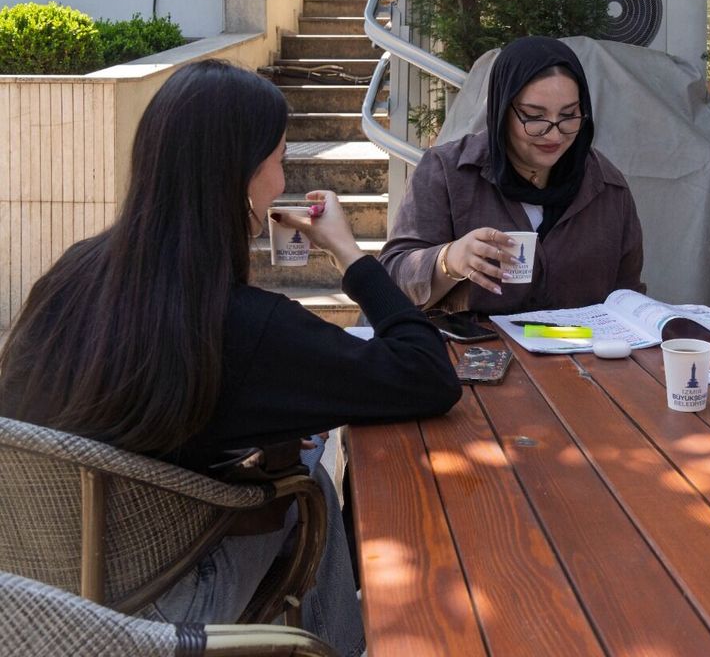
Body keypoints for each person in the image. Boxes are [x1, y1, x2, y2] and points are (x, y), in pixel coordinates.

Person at [0, 60, 462, 656]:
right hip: (153, 605)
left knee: (294, 459)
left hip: (35, 588)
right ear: (241, 178)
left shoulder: (76, 270)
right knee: (308, 483)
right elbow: (428, 375)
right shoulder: (246, 324)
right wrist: (351, 255)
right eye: (279, 160)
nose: (281, 179)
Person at [380, 35, 645, 315]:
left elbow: (627, 298)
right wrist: (449, 260)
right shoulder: (447, 173)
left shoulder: (606, 186)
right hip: (471, 344)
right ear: (502, 110)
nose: (553, 134)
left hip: (578, 344)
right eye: (534, 116)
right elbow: (391, 280)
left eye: (569, 115)